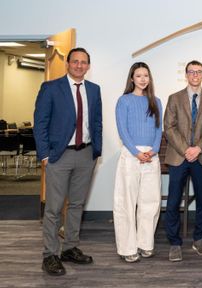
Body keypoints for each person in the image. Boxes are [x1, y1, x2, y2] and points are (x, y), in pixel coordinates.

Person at [34, 47, 102, 276]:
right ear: (68, 64)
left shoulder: (94, 90)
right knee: (53, 208)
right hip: (59, 155)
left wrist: (97, 150)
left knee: (76, 205)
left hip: (86, 154)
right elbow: (40, 123)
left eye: (84, 62)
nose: (79, 65)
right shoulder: (51, 88)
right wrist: (44, 154)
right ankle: (50, 255)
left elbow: (97, 121)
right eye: (75, 61)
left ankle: (70, 248)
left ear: (88, 66)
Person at [163, 60, 202, 262]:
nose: (195, 75)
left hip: (201, 157)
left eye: (199, 72)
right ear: (186, 74)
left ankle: (200, 238)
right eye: (191, 72)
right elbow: (169, 127)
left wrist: (199, 148)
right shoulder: (174, 98)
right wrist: (186, 149)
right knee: (174, 201)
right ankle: (174, 243)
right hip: (178, 156)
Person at [113, 62, 162, 263]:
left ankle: (145, 244)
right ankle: (127, 247)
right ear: (132, 78)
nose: (143, 79)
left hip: (152, 154)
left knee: (150, 202)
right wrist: (136, 152)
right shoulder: (123, 101)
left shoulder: (156, 101)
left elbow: (159, 129)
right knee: (126, 202)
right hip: (131, 155)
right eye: (139, 75)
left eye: (146, 76)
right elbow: (122, 130)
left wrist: (154, 150)